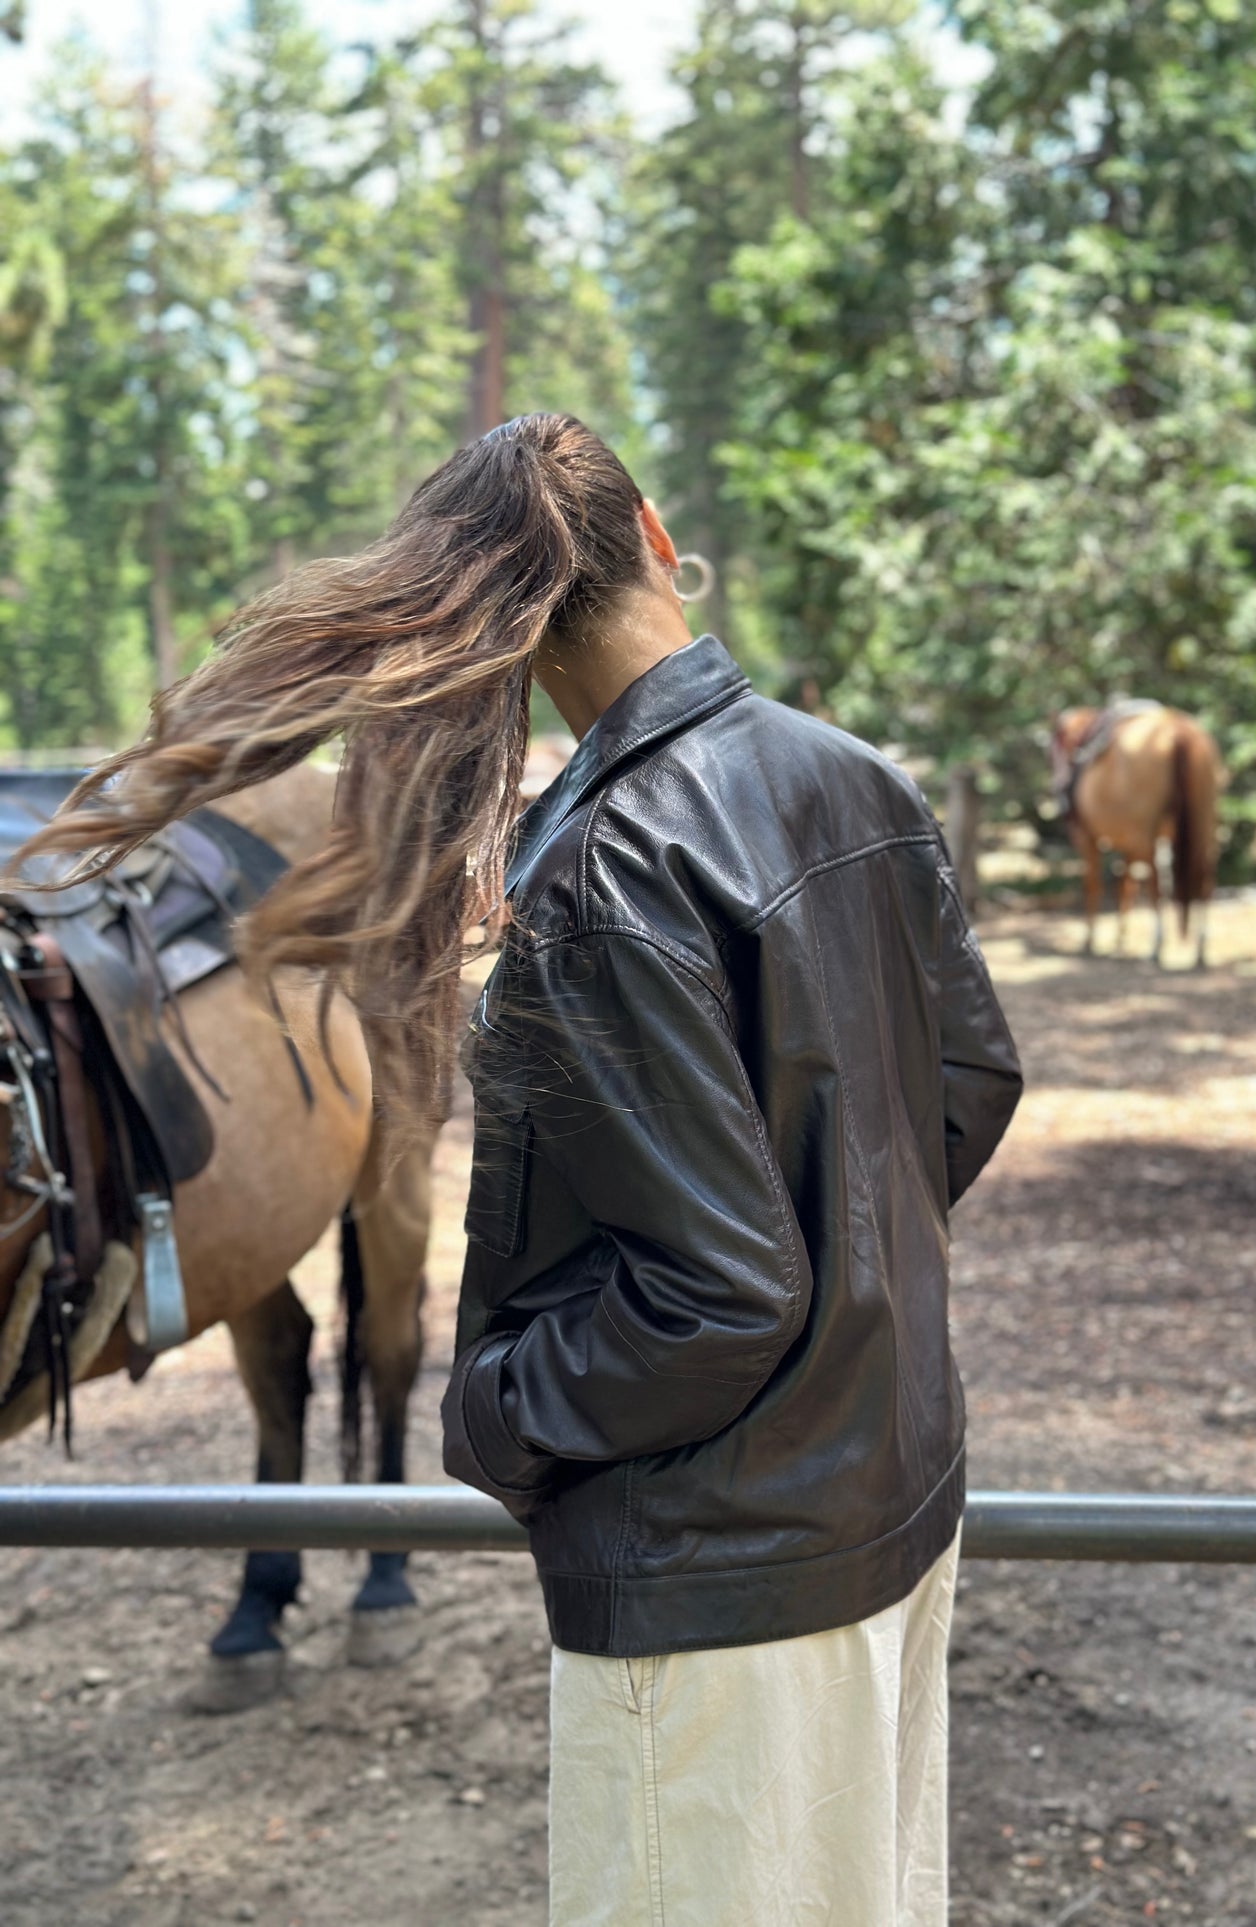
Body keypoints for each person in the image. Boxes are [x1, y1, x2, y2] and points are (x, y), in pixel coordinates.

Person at [28, 413, 1022, 1925]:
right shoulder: (852, 777)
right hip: (890, 1500)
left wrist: (493, 1418)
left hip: (713, 1579)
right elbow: (966, 1085)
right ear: (665, 544)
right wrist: (853, 1289)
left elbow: (713, 1296)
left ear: (499, 627)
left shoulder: (603, 868)